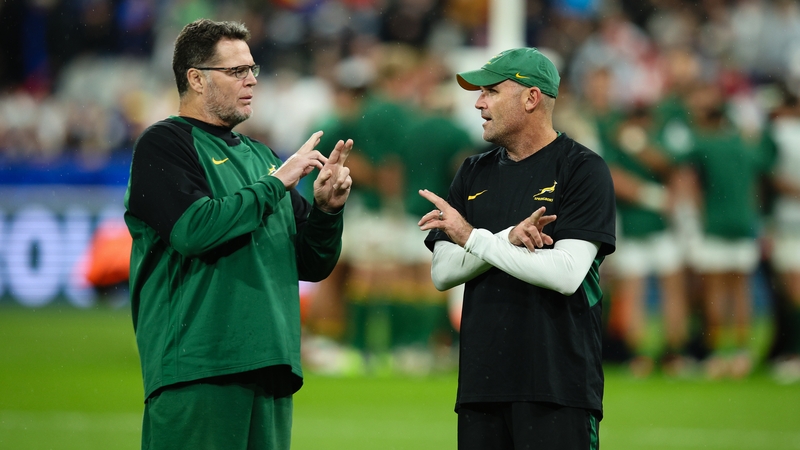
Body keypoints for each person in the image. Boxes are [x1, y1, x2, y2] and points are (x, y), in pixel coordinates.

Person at [123, 19, 353, 450]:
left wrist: (326, 210)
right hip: (199, 366)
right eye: (236, 72)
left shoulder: (261, 156)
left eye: (253, 70)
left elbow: (312, 263)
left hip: (270, 366)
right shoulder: (164, 144)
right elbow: (195, 230)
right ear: (195, 78)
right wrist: (275, 184)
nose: (251, 81)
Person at [418, 47, 616, 449]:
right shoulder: (473, 171)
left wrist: (475, 239)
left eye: (490, 91)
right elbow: (443, 273)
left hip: (558, 385)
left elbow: (565, 273)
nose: (478, 102)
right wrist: (506, 238)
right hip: (481, 384)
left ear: (531, 98)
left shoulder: (582, 169)